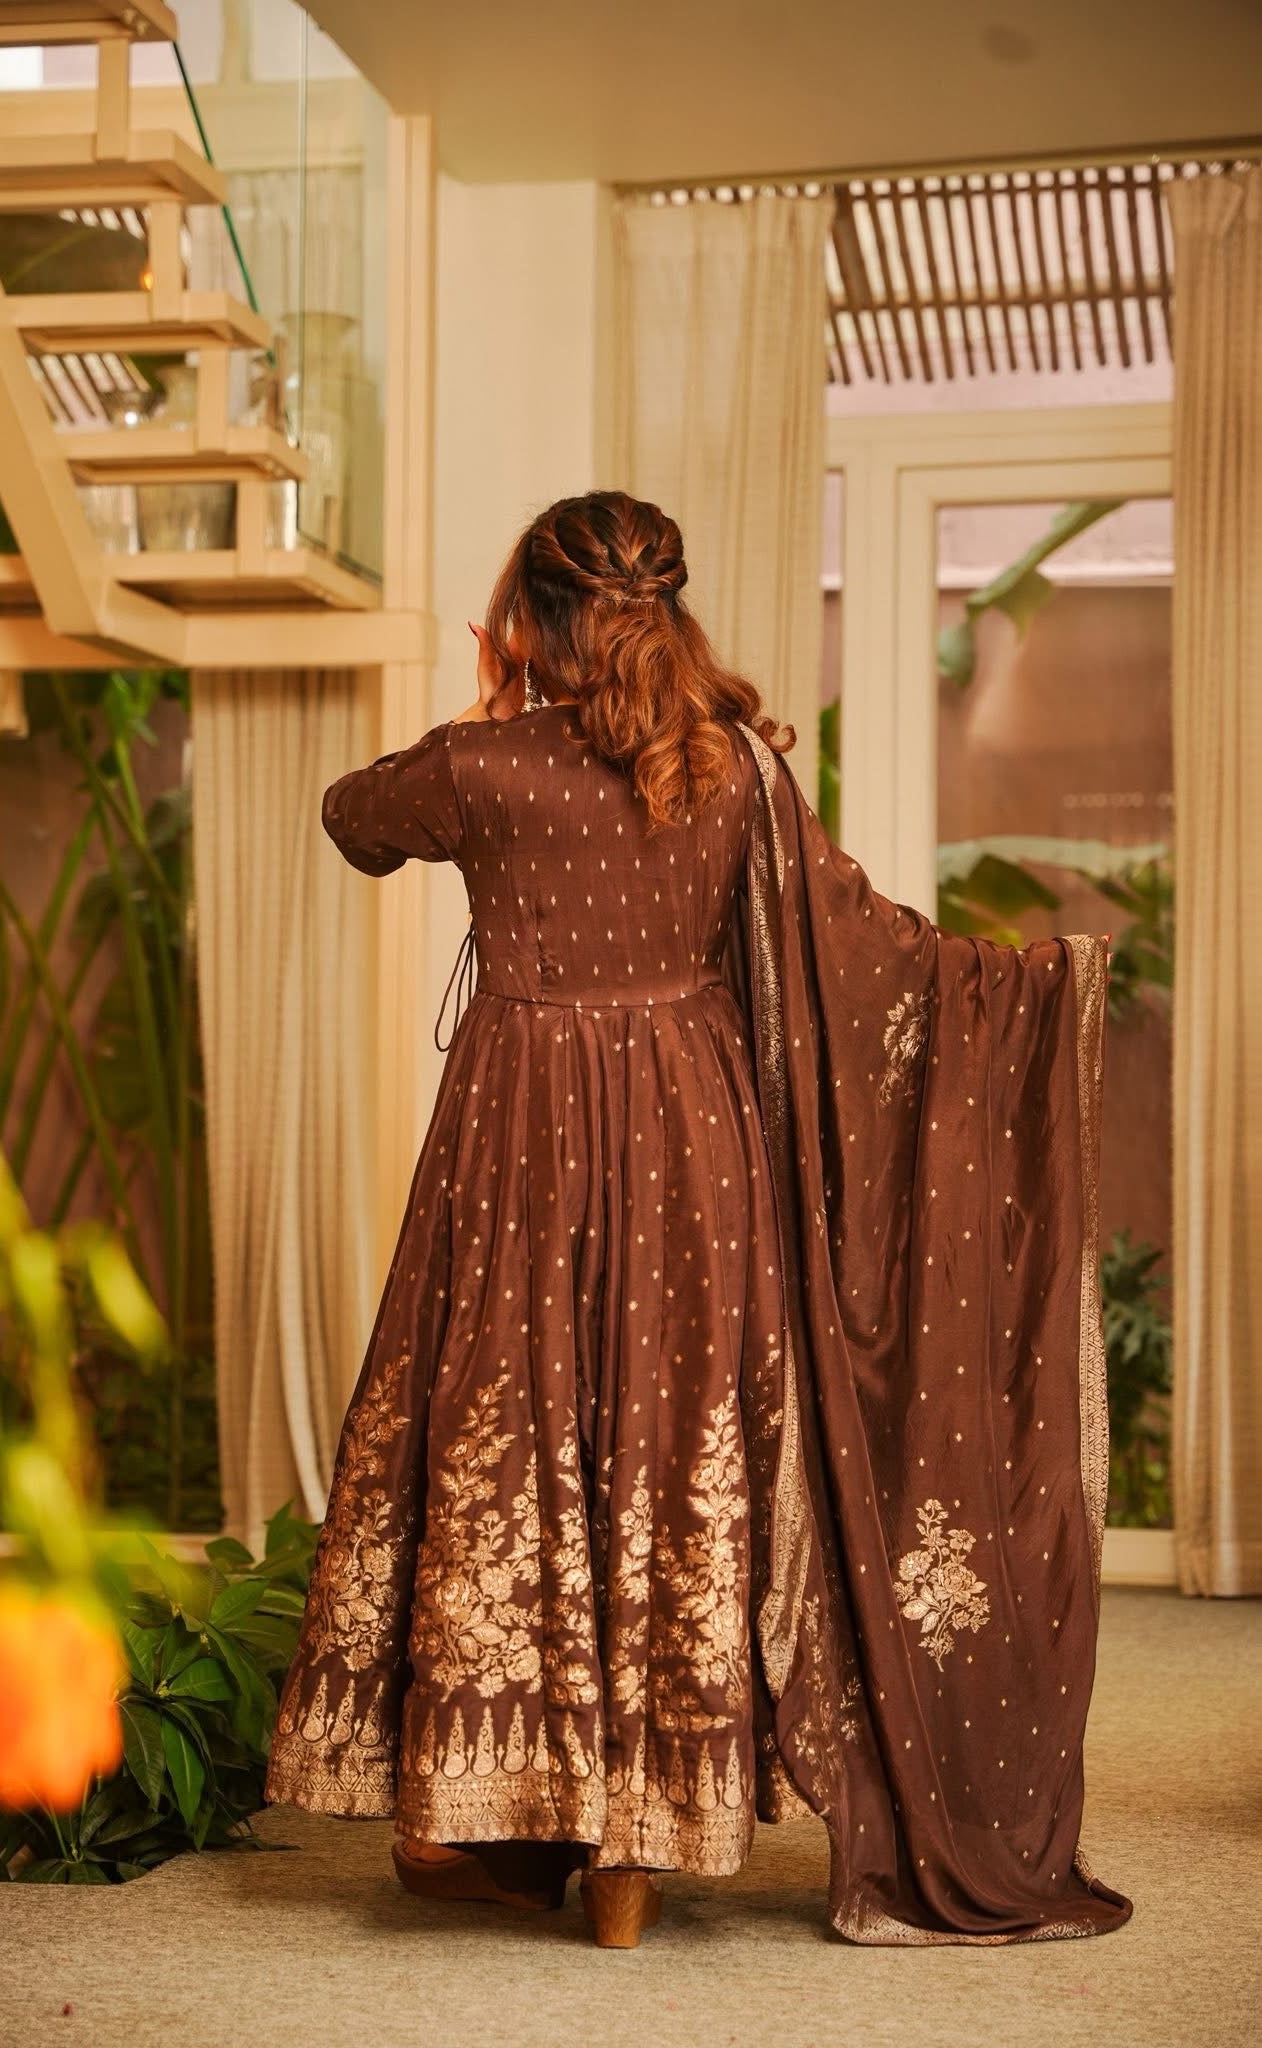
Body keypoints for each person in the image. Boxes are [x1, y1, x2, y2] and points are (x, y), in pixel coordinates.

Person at [266, 489, 1131, 1950]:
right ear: (661, 610)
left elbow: (354, 818)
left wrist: (488, 706)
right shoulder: (736, 768)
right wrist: (1030, 993)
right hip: (693, 1137)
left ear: (534, 619)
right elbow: (866, 942)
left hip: (524, 1132)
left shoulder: (479, 768)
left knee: (521, 1422)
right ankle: (639, 1853)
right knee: (673, 1436)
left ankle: (523, 1810)